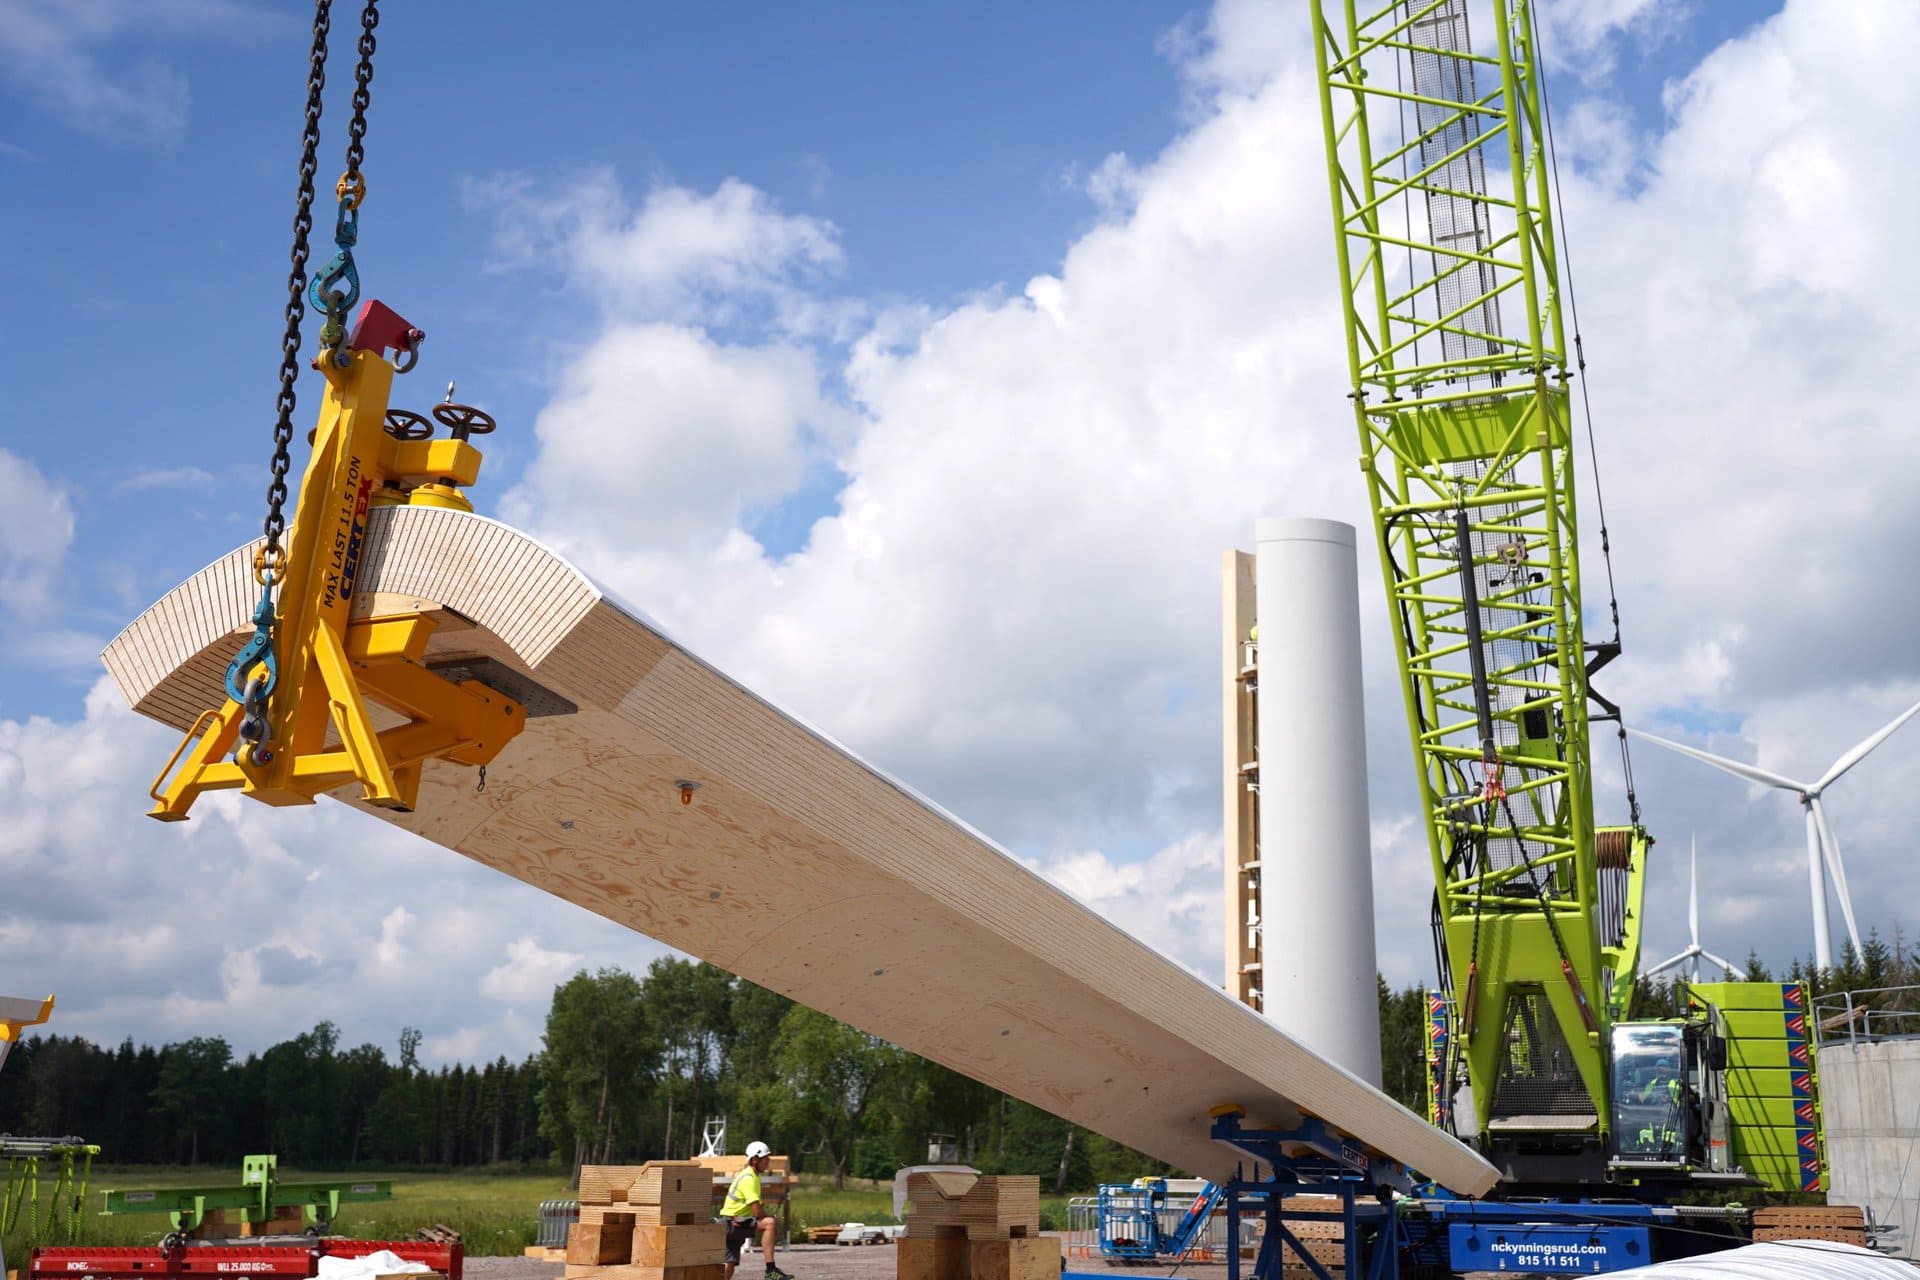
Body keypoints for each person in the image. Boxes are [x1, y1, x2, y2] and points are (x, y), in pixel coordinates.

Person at [721, 1141, 792, 1280]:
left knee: (729, 1264)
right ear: (754, 1160)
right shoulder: (749, 1179)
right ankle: (770, 1270)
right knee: (770, 1223)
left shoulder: (749, 1175)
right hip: (733, 1223)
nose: (768, 1161)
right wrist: (769, 1217)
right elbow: (757, 1212)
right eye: (766, 1158)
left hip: (731, 1222)